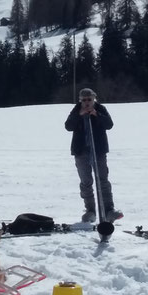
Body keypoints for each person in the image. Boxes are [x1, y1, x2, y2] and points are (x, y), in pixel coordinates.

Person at [65, 88, 123, 223]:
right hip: (81, 152)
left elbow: (109, 124)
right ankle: (90, 211)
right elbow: (68, 126)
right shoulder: (76, 110)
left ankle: (109, 210)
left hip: (98, 151)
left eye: (89, 100)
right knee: (86, 182)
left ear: (94, 99)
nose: (86, 103)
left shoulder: (100, 108)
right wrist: (79, 115)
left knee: (102, 180)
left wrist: (96, 115)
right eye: (84, 100)